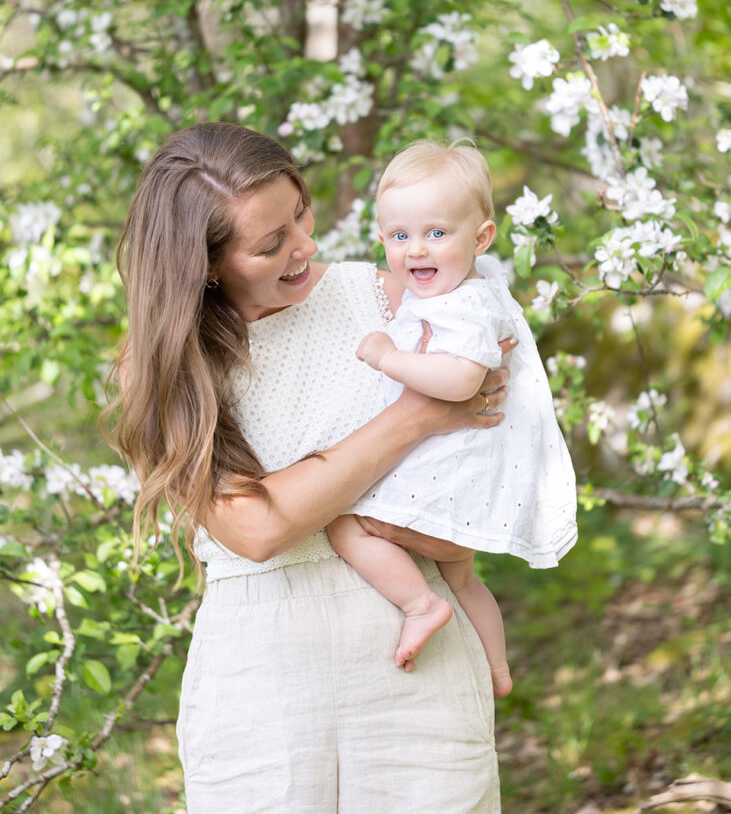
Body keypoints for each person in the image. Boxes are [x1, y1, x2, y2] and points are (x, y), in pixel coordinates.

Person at [112, 122, 515, 814]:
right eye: (270, 244)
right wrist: (414, 414)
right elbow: (258, 529)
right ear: (202, 263)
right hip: (259, 682)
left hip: (414, 663)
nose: (306, 246)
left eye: (300, 214)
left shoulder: (389, 296)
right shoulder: (164, 369)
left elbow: (482, 454)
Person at [328, 141, 577, 698]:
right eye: (400, 236)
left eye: (436, 233)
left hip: (441, 493)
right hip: (458, 489)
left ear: (481, 238)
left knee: (342, 521)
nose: (416, 249)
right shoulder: (477, 287)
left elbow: (462, 380)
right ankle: (497, 670)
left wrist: (389, 357)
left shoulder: (461, 306)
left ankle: (419, 604)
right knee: (466, 578)